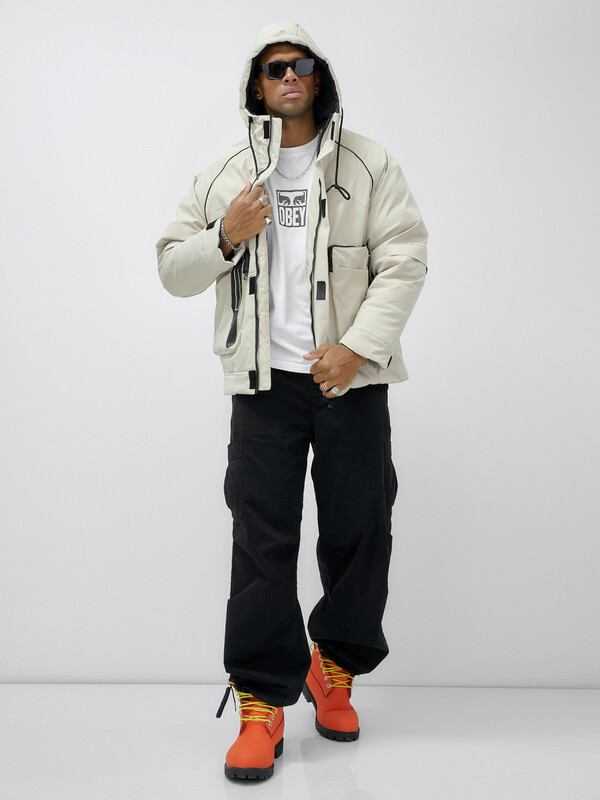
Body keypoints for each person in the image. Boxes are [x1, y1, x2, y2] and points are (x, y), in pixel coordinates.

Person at [156, 22, 428, 781]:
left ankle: (333, 667)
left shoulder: (370, 165)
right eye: (275, 67)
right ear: (258, 82)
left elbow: (405, 259)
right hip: (263, 386)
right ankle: (260, 700)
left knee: (361, 529)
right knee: (261, 542)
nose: (289, 76)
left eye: (301, 65)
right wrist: (226, 235)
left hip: (350, 380)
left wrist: (358, 347)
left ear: (319, 76)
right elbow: (172, 269)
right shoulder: (224, 175)